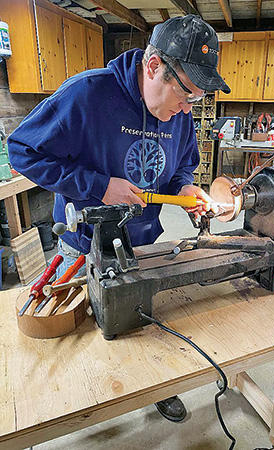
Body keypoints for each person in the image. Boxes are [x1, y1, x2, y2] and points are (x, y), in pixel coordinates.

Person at [8, 14, 230, 422]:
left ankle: (154, 388)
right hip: (82, 247)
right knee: (75, 340)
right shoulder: (87, 95)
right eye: (186, 95)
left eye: (195, 100)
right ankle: (78, 406)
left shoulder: (179, 112)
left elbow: (184, 164)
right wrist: (97, 185)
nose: (187, 109)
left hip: (142, 246)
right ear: (152, 66)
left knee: (142, 329)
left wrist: (183, 188)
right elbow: (22, 150)